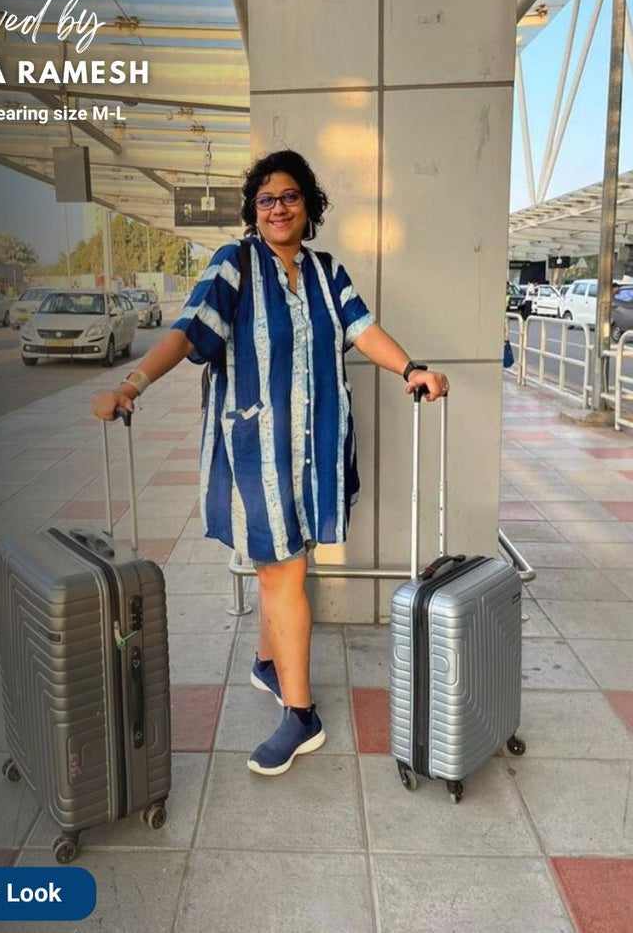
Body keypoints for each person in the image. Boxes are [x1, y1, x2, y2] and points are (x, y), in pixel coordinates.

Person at [92, 150, 449, 777]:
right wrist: (132, 383)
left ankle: (267, 663)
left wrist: (411, 368)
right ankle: (302, 714)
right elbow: (187, 331)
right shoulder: (235, 264)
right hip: (257, 454)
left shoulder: (327, 272)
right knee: (282, 570)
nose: (277, 208)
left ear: (307, 205)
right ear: (252, 211)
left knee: (277, 566)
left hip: (316, 449)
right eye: (265, 199)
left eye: (289, 196)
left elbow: (364, 330)